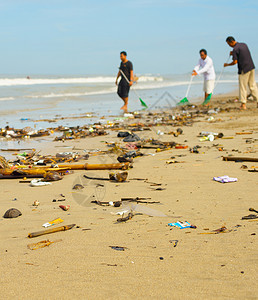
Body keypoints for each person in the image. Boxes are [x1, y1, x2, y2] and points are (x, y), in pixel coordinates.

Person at [224, 36, 258, 110]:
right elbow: (242, 53)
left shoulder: (235, 49)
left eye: (229, 44)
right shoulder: (244, 44)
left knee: (243, 86)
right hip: (251, 67)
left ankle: (243, 104)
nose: (229, 46)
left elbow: (235, 62)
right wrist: (233, 53)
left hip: (243, 69)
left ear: (231, 42)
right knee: (252, 85)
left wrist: (227, 65)